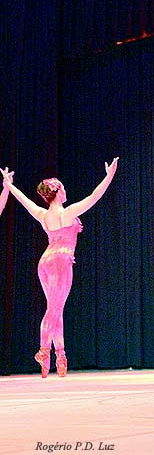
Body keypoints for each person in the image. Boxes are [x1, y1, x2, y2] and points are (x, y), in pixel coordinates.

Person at [0, 158, 119, 378]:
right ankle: (44, 351)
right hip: (61, 262)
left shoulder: (43, 215)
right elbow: (94, 197)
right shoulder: (68, 213)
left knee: (55, 308)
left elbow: (24, 200)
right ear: (58, 192)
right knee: (54, 310)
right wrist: (109, 175)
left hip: (45, 262)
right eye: (62, 188)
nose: (65, 191)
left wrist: (9, 185)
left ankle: (60, 355)